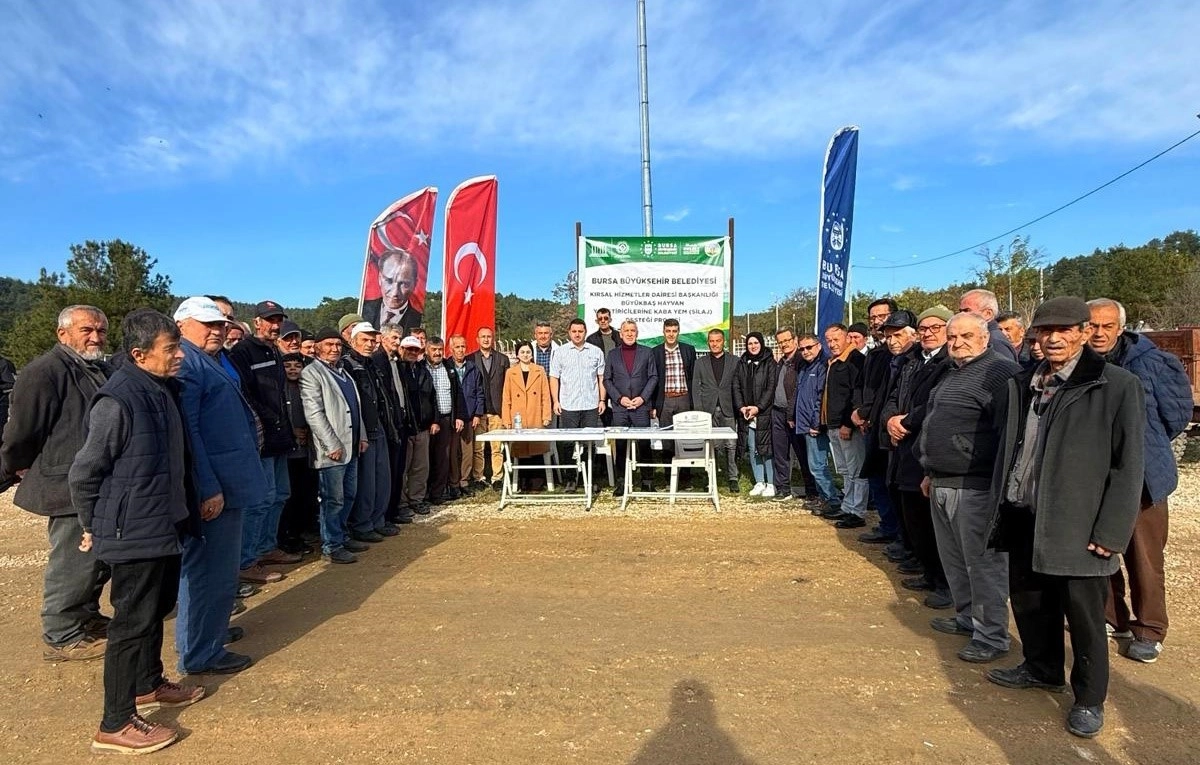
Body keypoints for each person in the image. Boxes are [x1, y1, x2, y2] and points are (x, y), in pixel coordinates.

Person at [986, 297, 1145, 739]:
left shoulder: (1115, 385)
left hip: (1078, 521)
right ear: (1035, 335)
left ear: (1083, 332)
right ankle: (1041, 668)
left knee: (1085, 616)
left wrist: (1112, 530)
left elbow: (1128, 466)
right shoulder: (1024, 383)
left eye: (1065, 330)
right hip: (1023, 512)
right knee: (1030, 601)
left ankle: (1089, 699)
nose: (1054, 338)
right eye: (1046, 330)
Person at [70, 309, 205, 755]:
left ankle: (148, 683)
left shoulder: (162, 389)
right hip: (133, 530)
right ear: (139, 354)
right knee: (130, 623)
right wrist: (90, 524)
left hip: (163, 523)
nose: (180, 355)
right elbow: (84, 472)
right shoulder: (118, 399)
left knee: (156, 609)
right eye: (171, 349)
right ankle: (115, 722)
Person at [0, 304, 112, 661]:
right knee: (73, 560)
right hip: (66, 484)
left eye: (101, 330)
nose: (96, 337)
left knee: (97, 559)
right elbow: (21, 430)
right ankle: (62, 634)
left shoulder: (96, 368)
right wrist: (14, 466)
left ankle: (86, 617)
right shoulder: (44, 371)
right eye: (86, 330)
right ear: (62, 334)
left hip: (94, 481)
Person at [1088, 298, 1193, 663]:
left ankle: (1149, 628)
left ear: (1121, 328)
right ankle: (1112, 616)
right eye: (1092, 326)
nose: (1099, 333)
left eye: (1107, 326)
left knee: (1144, 557)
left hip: (1144, 478)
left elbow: (1176, 415)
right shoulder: (1081, 365)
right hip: (1095, 476)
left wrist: (1141, 445)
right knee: (1098, 550)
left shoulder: (1153, 362)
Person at [919, 311, 1019, 662]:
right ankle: (966, 617)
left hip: (975, 486)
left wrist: (999, 487)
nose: (957, 343)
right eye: (952, 337)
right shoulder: (953, 372)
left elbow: (1009, 434)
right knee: (955, 560)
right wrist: (930, 471)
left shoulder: (1000, 373)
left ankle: (992, 635)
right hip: (942, 481)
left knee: (983, 565)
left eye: (966, 336)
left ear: (985, 338)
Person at [173, 297, 262, 676]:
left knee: (220, 569)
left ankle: (210, 633)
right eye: (207, 324)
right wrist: (208, 487)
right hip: (215, 487)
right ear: (182, 326)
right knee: (208, 570)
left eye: (221, 325)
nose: (217, 330)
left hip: (229, 480)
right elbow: (189, 432)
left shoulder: (207, 359)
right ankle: (199, 652)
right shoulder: (187, 363)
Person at [878, 307, 953, 610]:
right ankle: (929, 572)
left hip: (924, 446)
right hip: (903, 447)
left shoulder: (949, 362)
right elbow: (892, 396)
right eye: (924, 328)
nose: (928, 333)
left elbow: (935, 402)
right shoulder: (913, 361)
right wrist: (890, 420)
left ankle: (945, 584)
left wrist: (905, 422)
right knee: (912, 516)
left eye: (935, 328)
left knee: (930, 521)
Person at [227, 300, 297, 585]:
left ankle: (267, 547)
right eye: (270, 320)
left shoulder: (274, 350)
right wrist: (268, 421)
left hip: (280, 436)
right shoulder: (244, 351)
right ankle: (247, 560)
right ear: (257, 322)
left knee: (280, 495)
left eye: (278, 320)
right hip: (263, 437)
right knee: (261, 500)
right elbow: (247, 395)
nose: (275, 325)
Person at [300, 328, 368, 564]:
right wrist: (331, 444)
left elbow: (355, 408)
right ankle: (332, 545)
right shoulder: (311, 373)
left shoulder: (344, 373)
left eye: (338, 345)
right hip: (332, 450)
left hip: (351, 445)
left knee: (349, 495)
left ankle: (342, 535)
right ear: (318, 347)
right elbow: (314, 413)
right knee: (333, 499)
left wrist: (362, 436)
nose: (334, 349)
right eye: (329, 344)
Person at [852, 299, 903, 553]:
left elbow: (887, 392)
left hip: (887, 424)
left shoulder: (898, 355)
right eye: (872, 317)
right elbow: (864, 386)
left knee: (890, 481)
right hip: (870, 423)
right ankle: (888, 526)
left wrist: (867, 413)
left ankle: (898, 533)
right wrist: (860, 412)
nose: (876, 321)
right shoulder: (876, 352)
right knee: (875, 477)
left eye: (881, 316)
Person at [341, 322, 398, 540]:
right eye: (364, 340)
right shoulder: (348, 365)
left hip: (379, 426)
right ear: (353, 341)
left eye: (372, 340)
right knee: (366, 482)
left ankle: (377, 520)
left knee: (382, 479)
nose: (369, 344)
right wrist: (360, 432)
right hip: (363, 430)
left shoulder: (372, 364)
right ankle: (362, 525)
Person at [549, 318, 606, 492]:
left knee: (589, 444)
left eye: (580, 331)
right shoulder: (560, 353)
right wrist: (556, 401)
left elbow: (601, 378)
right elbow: (554, 378)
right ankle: (570, 480)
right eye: (574, 331)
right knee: (568, 444)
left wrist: (602, 400)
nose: (577, 334)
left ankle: (589, 479)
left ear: (585, 332)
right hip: (568, 405)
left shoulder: (596, 352)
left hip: (590, 405)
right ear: (569, 332)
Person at [604, 320, 658, 496]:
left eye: (632, 330)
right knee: (620, 445)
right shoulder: (612, 354)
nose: (629, 334)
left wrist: (643, 398)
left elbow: (653, 377)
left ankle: (647, 481)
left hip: (641, 407)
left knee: (644, 444)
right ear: (620, 334)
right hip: (620, 408)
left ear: (637, 333)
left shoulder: (647, 352)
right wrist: (620, 398)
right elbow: (607, 380)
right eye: (626, 331)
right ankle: (622, 483)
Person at [823, 323, 868, 528]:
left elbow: (855, 395)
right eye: (829, 341)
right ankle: (847, 506)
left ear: (847, 338)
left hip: (847, 426)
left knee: (856, 470)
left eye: (836, 340)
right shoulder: (833, 361)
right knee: (844, 470)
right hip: (833, 423)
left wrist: (847, 424)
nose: (832, 344)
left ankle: (857, 511)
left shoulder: (855, 360)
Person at [791, 333, 840, 513]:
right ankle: (823, 498)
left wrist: (815, 423)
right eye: (802, 349)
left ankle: (832, 500)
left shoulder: (822, 365)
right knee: (815, 466)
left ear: (818, 346)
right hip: (804, 423)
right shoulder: (805, 366)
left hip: (814, 426)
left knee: (818, 466)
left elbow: (820, 397)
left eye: (809, 347)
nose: (805, 351)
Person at [770, 326, 817, 503]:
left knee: (803, 454)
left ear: (795, 340)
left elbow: (799, 390)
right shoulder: (781, 362)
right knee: (780, 453)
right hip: (777, 412)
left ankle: (812, 490)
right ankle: (783, 488)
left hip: (796, 415)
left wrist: (792, 414)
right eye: (780, 342)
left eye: (787, 340)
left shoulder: (801, 361)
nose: (784, 344)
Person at [371, 325, 412, 521]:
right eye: (394, 337)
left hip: (400, 421)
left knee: (398, 469)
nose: (397, 341)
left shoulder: (396, 361)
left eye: (399, 338)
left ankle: (394, 510)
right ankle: (385, 514)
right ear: (383, 338)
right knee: (388, 471)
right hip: (388, 424)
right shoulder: (377, 360)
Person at [279, 352, 319, 552]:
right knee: (290, 496)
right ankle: (290, 535)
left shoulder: (307, 387)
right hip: (288, 453)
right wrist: (291, 432)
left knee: (307, 492)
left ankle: (306, 529)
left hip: (307, 451)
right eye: (288, 366)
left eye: (297, 365)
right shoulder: (280, 390)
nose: (293, 369)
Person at [691, 329, 739, 493]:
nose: (715, 344)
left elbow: (738, 385)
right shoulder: (700, 363)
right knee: (712, 445)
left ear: (723, 341)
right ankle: (711, 476)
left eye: (718, 341)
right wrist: (699, 410)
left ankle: (732, 477)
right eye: (712, 341)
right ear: (708, 343)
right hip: (708, 409)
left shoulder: (734, 361)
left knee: (730, 445)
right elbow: (695, 387)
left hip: (728, 407)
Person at [502, 341, 553, 491]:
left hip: (535, 414)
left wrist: (546, 416)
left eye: (528, 352)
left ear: (532, 354)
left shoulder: (539, 370)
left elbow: (545, 395)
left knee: (536, 448)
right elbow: (506, 397)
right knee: (521, 449)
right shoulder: (510, 372)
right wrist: (506, 419)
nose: (525, 355)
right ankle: (522, 483)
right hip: (518, 417)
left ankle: (537, 483)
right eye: (522, 352)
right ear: (517, 355)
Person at [651, 318, 697, 478]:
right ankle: (669, 476)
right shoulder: (655, 352)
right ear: (663, 332)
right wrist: (653, 405)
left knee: (685, 437)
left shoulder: (688, 350)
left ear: (678, 332)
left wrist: (693, 402)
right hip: (665, 400)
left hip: (684, 398)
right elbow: (653, 379)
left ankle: (685, 476)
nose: (671, 334)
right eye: (668, 331)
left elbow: (693, 377)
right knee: (667, 439)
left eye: (674, 331)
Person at [733, 332, 777, 496]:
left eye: (756, 343)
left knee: (766, 448)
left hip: (764, 413)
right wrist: (742, 407)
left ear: (761, 343)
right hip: (747, 414)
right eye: (750, 343)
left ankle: (771, 483)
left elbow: (771, 387)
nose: (753, 346)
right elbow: (736, 385)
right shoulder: (742, 362)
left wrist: (758, 407)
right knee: (752, 448)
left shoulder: (770, 362)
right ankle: (759, 481)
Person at [425, 336, 466, 503]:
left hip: (446, 419)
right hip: (427, 421)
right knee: (426, 458)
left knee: (443, 458)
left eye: (440, 350)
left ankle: (438, 493)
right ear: (427, 350)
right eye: (434, 350)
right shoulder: (421, 368)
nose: (437, 353)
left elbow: (457, 393)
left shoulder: (449, 367)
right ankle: (424, 493)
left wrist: (459, 416)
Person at [399, 335, 436, 515]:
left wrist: (434, 420)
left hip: (423, 426)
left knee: (421, 467)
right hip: (405, 428)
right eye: (409, 349)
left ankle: (417, 499)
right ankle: (401, 502)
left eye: (416, 350)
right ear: (401, 349)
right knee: (403, 467)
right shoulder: (397, 370)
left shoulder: (423, 371)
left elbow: (432, 396)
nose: (412, 353)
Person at [470, 327, 510, 489]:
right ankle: (478, 477)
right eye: (483, 337)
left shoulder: (503, 359)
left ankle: (497, 478)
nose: (486, 339)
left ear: (493, 339)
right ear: (477, 339)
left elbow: (507, 386)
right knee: (478, 448)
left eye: (489, 336)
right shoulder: (471, 359)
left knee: (497, 447)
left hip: (497, 411)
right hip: (478, 412)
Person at [448, 334, 483, 498]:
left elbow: (480, 392)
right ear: (451, 349)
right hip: (453, 417)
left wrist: (478, 413)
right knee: (453, 452)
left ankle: (464, 481)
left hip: (469, 416)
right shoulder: (446, 366)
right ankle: (454, 483)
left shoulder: (472, 368)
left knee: (467, 452)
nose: (461, 350)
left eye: (463, 346)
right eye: (457, 347)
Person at [362, 249, 423, 332]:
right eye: (389, 281)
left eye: (403, 284)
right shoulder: (364, 309)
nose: (395, 293)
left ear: (415, 284)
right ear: (379, 278)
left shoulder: (418, 319)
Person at [958, 289, 1018, 362]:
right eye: (960, 311)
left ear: (988, 314)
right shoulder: (985, 337)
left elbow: (1004, 368)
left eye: (967, 310)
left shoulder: (995, 343)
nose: (961, 315)